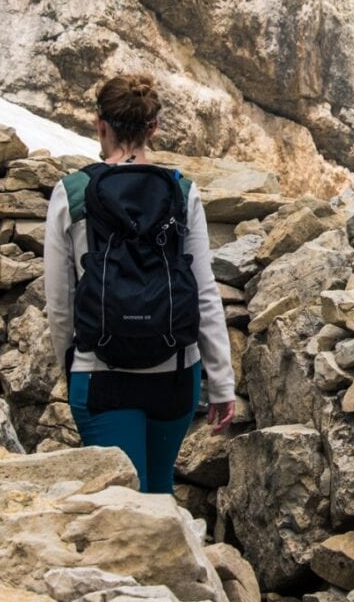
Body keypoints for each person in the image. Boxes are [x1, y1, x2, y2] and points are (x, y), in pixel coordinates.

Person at [44, 73, 235, 493]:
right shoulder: (181, 192)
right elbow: (204, 292)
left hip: (100, 374)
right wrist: (221, 381)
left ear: (100, 124)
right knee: (159, 493)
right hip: (175, 373)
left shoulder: (73, 192)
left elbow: (59, 303)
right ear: (153, 128)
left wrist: (71, 365)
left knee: (119, 504)